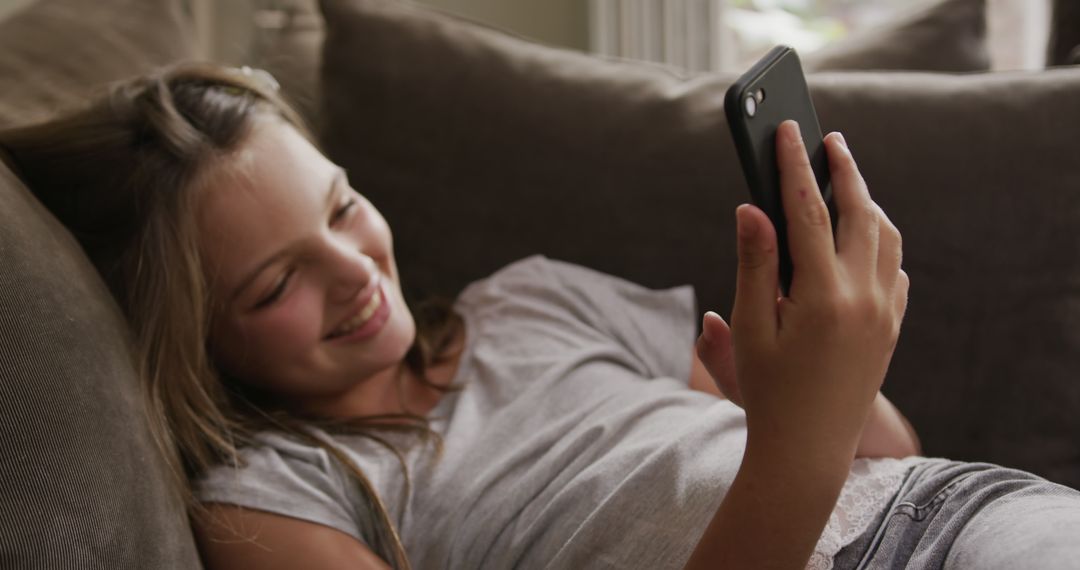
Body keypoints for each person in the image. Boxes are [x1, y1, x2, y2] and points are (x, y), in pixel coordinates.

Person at [1, 62, 1078, 570]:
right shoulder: (271, 501)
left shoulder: (532, 298)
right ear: (189, 343)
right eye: (274, 285)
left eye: (342, 208)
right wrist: (794, 448)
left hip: (971, 514)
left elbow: (888, 457)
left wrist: (810, 395)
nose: (353, 270)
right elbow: (797, 483)